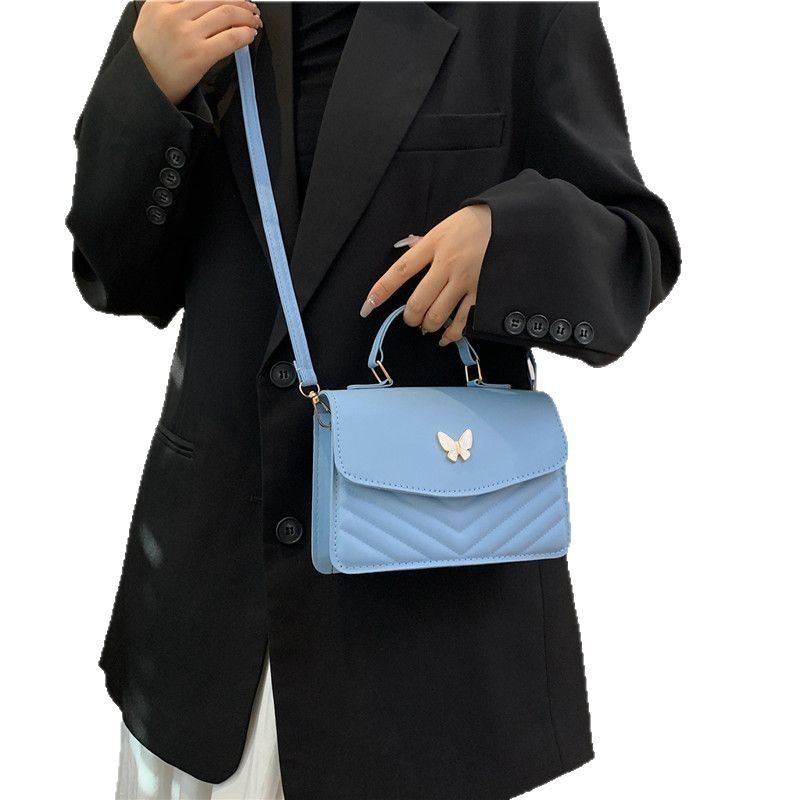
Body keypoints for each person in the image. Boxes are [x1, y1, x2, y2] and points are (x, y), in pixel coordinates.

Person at [65, 2, 680, 798]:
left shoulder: (523, 11)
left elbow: (635, 249)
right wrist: (144, 92)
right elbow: (119, 279)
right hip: (208, 607)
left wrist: (506, 234)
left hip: (423, 619)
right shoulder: (183, 3)